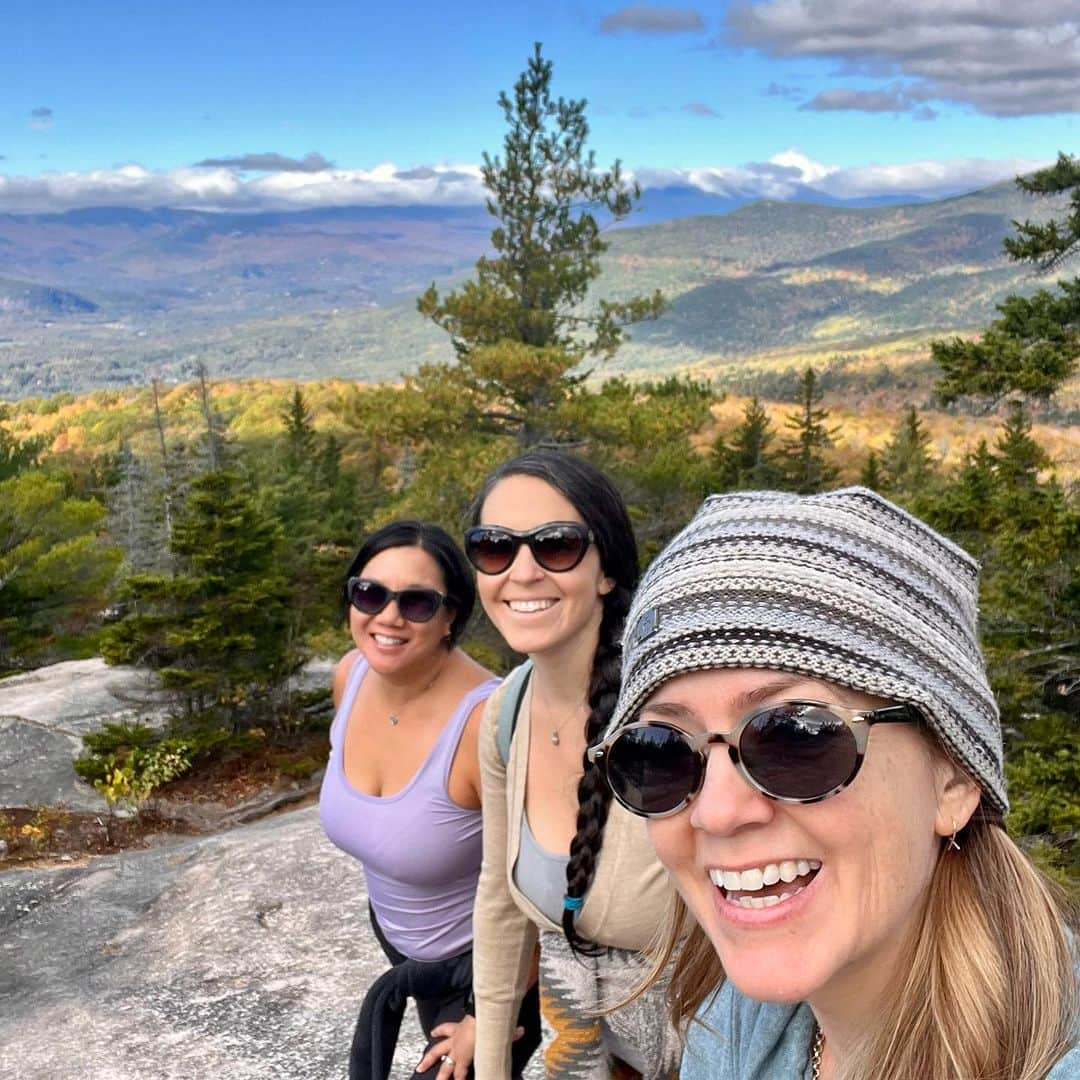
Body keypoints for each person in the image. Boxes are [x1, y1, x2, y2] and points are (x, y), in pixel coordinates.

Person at [588, 486, 1080, 1080]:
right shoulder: (731, 1025)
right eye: (661, 752)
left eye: (795, 738)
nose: (716, 812)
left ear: (953, 777)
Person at [465, 450, 682, 1080]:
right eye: (494, 547)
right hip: (591, 1051)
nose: (523, 571)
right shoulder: (505, 713)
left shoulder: (668, 718)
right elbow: (499, 903)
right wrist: (492, 1065)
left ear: (607, 570)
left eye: (556, 545)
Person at [319, 520, 541, 1080]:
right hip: (405, 944)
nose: (388, 617)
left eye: (417, 603)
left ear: (450, 618)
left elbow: (544, 882)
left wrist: (487, 1015)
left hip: (487, 970)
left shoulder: (487, 725)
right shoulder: (350, 677)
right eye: (369, 594)